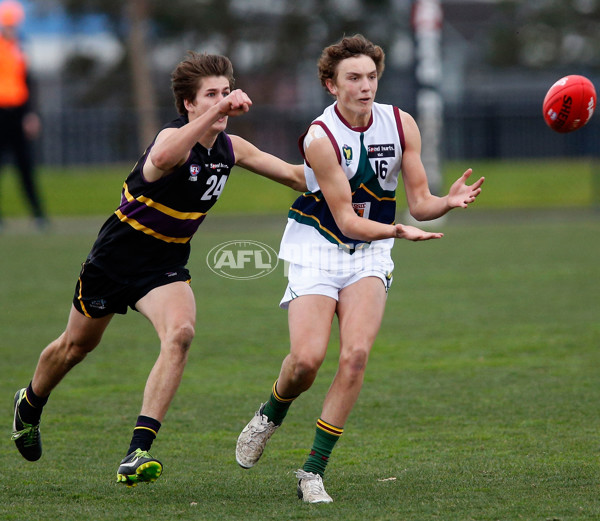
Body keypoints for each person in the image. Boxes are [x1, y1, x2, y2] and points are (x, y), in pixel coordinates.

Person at [11, 51, 307, 487]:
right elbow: (165, 157)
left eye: (226, 92)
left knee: (181, 334)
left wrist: (349, 161)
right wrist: (218, 113)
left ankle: (137, 451)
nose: (223, 101)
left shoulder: (230, 148)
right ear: (188, 104)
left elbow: (297, 176)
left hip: (164, 266)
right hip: (113, 260)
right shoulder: (170, 141)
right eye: (211, 95)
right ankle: (30, 402)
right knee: (75, 347)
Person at [235, 34, 484, 503]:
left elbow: (421, 203)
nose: (365, 86)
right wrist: (397, 231)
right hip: (319, 247)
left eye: (371, 76)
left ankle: (312, 471)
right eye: (353, 78)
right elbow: (348, 220)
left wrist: (446, 202)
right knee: (306, 361)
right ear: (332, 85)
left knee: (355, 356)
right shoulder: (319, 137)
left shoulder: (401, 123)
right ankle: (271, 411)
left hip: (369, 255)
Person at [0, 0, 47, 231]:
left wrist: (30, 114)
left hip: (18, 113)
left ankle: (38, 215)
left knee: (25, 166)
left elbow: (28, 81)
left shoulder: (21, 46)